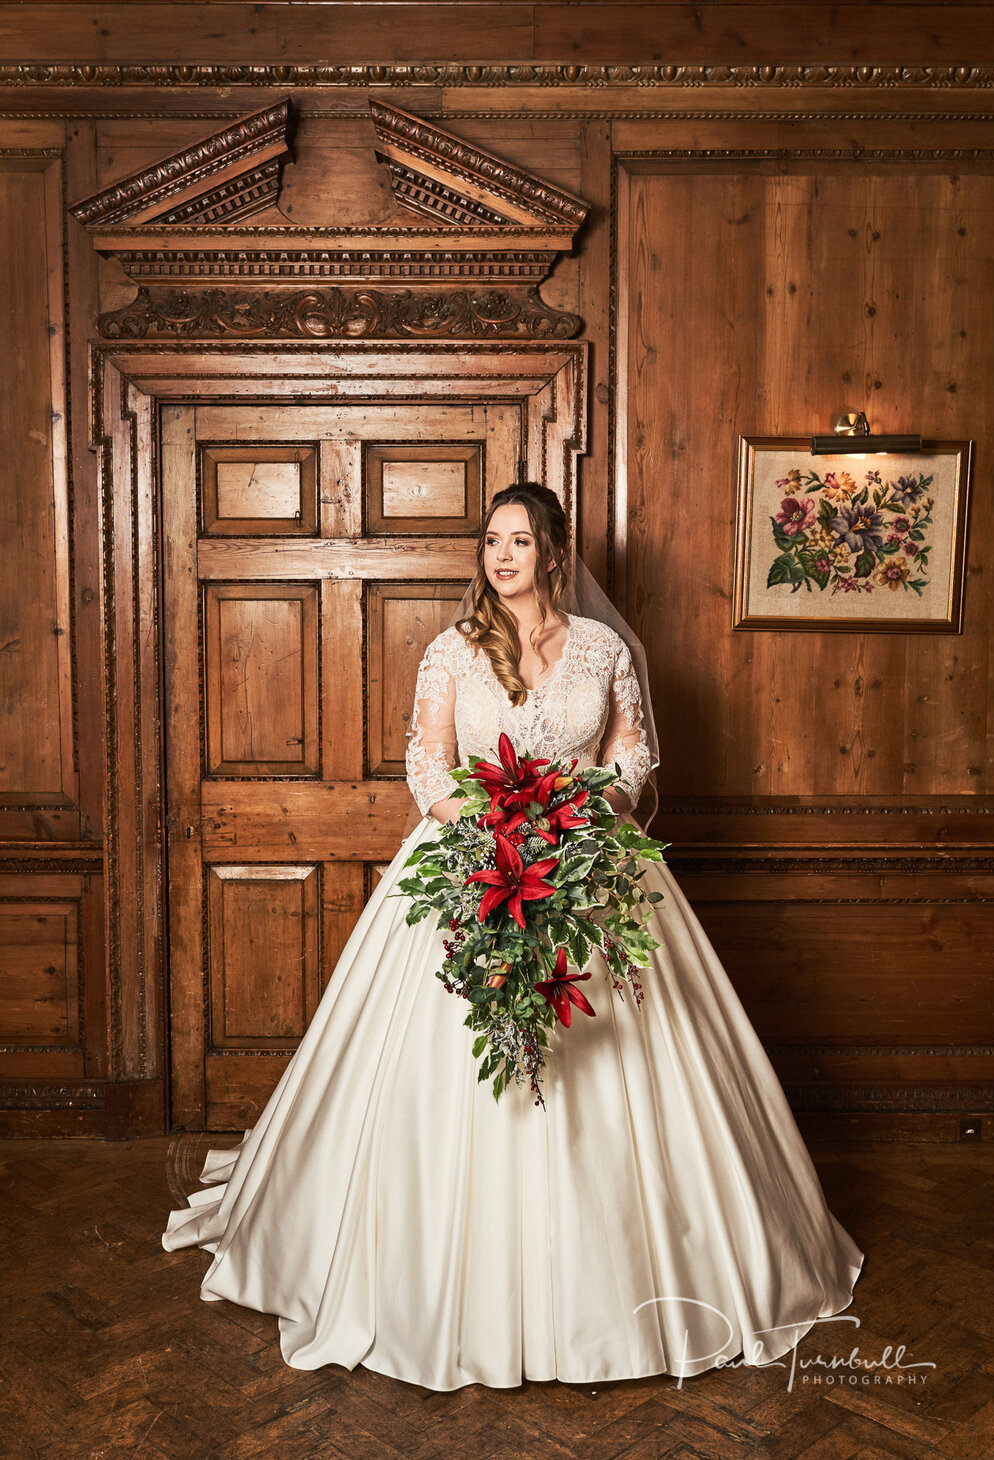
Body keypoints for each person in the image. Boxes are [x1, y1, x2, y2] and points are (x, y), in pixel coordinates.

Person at [162, 482, 864, 1390]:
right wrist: (487, 824)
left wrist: (583, 809)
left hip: (587, 862)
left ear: (554, 553)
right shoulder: (452, 649)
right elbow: (426, 759)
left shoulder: (604, 648)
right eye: (491, 540)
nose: (501, 557)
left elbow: (632, 755)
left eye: (521, 541)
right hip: (471, 858)